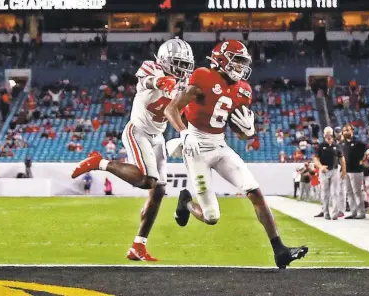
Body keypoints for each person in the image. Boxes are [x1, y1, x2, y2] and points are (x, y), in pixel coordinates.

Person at [163, 39, 308, 269]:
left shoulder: (243, 90)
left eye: (243, 61)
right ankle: (186, 202)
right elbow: (171, 109)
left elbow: (237, 131)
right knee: (211, 217)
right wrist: (184, 134)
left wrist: (247, 132)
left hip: (219, 145)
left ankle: (279, 249)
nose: (241, 66)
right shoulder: (203, 76)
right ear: (221, 58)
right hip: (195, 147)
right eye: (237, 60)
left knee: (255, 191)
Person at [71, 37, 195, 261]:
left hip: (157, 135)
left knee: (158, 191)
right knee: (148, 181)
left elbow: (181, 109)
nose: (183, 69)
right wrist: (160, 82)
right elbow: (147, 80)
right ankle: (99, 162)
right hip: (137, 131)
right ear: (165, 60)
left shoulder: (183, 85)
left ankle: (138, 245)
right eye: (178, 63)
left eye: (186, 64)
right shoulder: (152, 67)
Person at [313, 127, 347, 220]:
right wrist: (320, 167)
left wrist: (344, 170)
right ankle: (326, 211)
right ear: (324, 134)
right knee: (325, 192)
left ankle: (335, 212)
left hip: (335, 170)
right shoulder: (320, 146)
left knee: (335, 192)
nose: (328, 135)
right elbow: (315, 158)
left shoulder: (336, 146)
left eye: (329, 133)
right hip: (324, 171)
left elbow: (341, 158)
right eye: (326, 133)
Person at [340, 124, 367, 219]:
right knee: (349, 192)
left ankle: (361, 212)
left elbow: (367, 151)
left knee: (357, 192)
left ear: (352, 131)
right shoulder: (342, 143)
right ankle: (353, 211)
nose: (345, 132)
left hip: (356, 170)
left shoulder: (359, 142)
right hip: (347, 171)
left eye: (347, 130)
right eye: (344, 130)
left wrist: (363, 160)